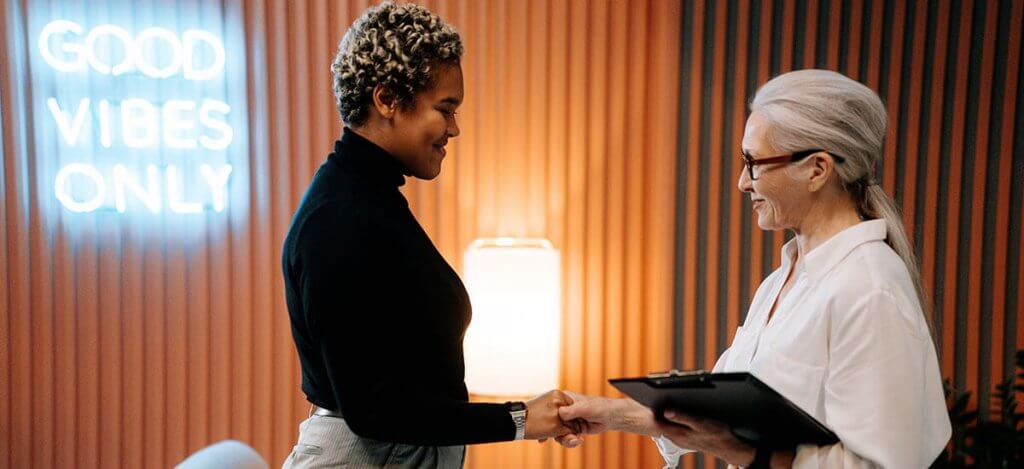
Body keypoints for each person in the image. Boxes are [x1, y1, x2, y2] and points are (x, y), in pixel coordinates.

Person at [555, 69, 952, 468]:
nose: (744, 182)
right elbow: (718, 413)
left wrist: (742, 451)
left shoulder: (869, 288)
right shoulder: (783, 279)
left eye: (754, 162)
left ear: (817, 169)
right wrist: (611, 413)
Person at [281, 3, 575, 468]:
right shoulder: (337, 220)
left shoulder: (368, 200)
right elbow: (374, 408)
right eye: (445, 109)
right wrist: (518, 420)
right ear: (387, 99)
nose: (455, 128)